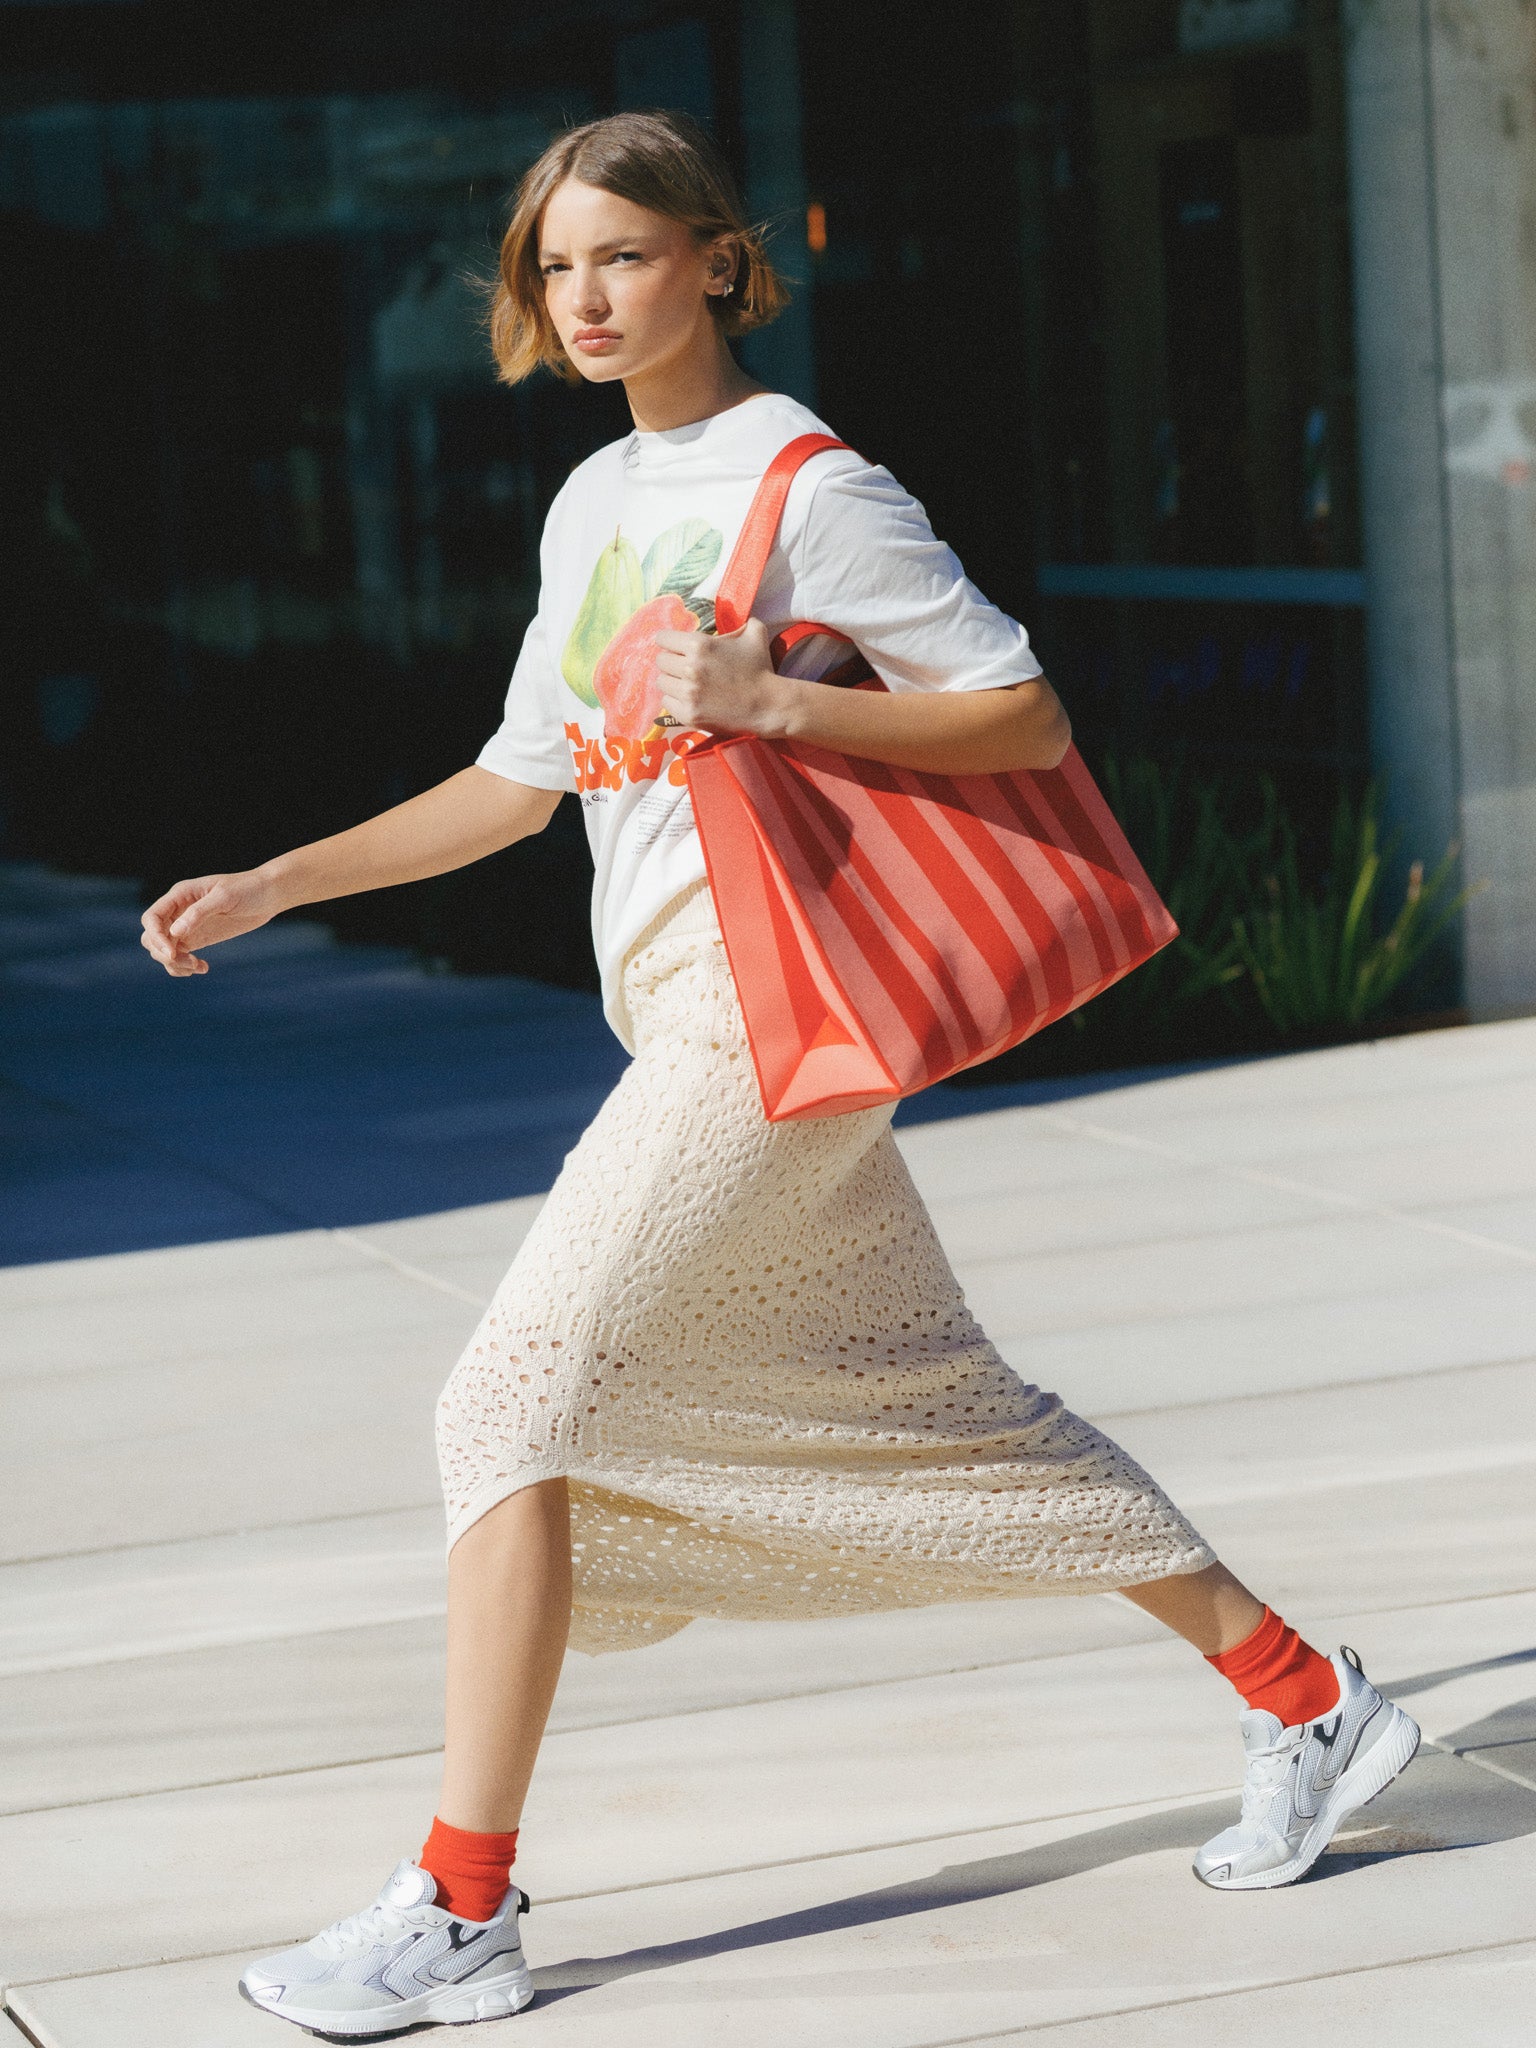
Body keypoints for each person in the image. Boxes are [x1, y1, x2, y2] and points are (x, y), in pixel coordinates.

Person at [141, 111, 1420, 2039]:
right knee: (949, 1407)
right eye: (555, 266)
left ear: (718, 265)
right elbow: (525, 778)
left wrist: (769, 694)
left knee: (506, 1405)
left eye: (624, 258)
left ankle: (461, 1909)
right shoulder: (595, 505)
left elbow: (1019, 707)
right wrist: (282, 876)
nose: (584, 297)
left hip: (775, 1017)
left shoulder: (812, 485)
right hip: (677, 1011)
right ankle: (1309, 1702)